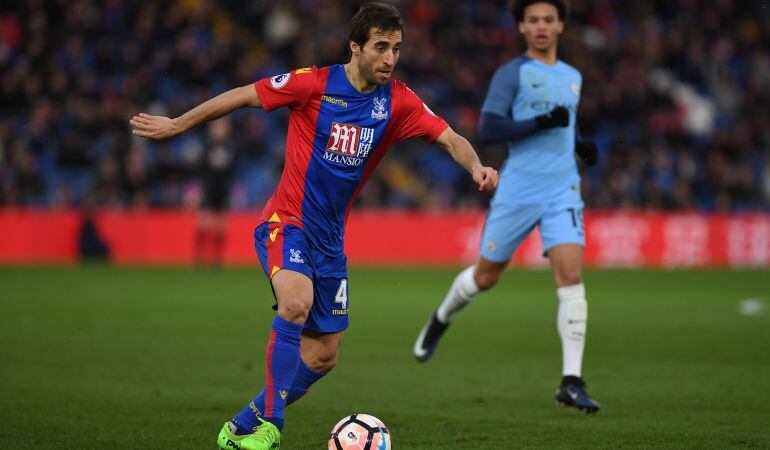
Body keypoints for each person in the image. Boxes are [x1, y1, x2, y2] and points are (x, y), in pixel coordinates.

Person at [130, 3, 498, 449]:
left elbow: (450, 137)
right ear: (355, 46)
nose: (390, 58)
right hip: (286, 223)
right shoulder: (313, 84)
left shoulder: (397, 101)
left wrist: (476, 166)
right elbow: (244, 94)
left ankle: (241, 424)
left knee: (324, 355)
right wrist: (177, 125)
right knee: (295, 303)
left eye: (397, 48)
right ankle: (271, 426)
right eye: (381, 47)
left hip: (329, 241)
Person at [413, 0, 601, 414]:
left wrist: (579, 144)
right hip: (518, 189)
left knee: (570, 276)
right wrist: (540, 124)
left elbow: (564, 123)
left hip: (563, 188)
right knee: (486, 276)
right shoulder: (512, 73)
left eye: (548, 20)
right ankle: (442, 316)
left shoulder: (572, 76)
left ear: (561, 26)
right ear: (520, 26)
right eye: (532, 20)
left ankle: (571, 381)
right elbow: (490, 126)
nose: (541, 27)